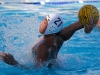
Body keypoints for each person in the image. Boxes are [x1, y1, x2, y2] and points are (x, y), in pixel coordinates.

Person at [0, 5, 99, 68]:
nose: (41, 23)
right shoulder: (60, 35)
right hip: (56, 63)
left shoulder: (45, 47)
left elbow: (37, 71)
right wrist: (88, 26)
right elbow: (84, 21)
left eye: (44, 22)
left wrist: (14, 62)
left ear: (50, 27)